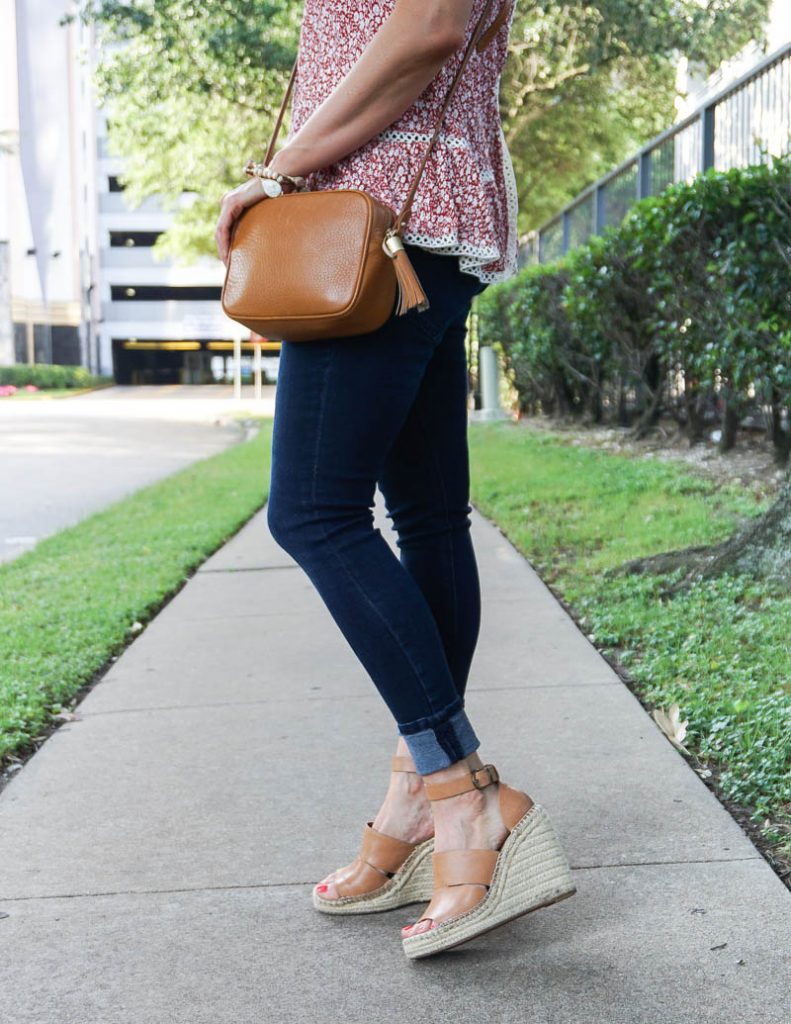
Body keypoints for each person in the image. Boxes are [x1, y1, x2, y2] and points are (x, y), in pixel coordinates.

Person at [215, 0, 575, 959]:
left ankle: (463, 796)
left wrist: (277, 172)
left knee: (313, 514)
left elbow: (424, 30)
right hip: (427, 218)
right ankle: (416, 796)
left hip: (376, 219)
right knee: (426, 517)